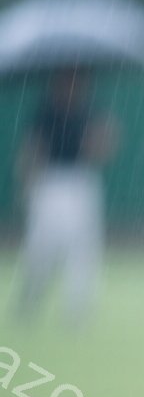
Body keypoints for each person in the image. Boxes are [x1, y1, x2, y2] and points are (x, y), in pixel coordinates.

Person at [11, 66, 121, 326]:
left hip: (80, 180)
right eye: (66, 80)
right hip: (49, 182)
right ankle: (29, 301)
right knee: (42, 247)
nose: (72, 85)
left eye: (76, 81)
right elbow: (32, 149)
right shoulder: (45, 112)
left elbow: (102, 149)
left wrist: (104, 136)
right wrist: (27, 183)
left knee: (83, 248)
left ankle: (77, 310)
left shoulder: (89, 111)